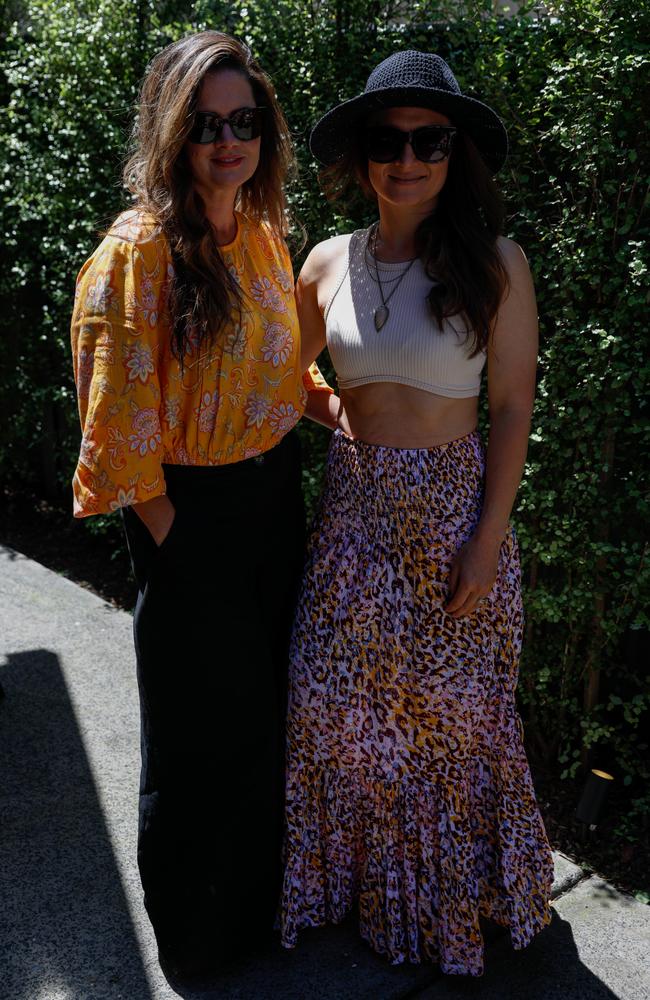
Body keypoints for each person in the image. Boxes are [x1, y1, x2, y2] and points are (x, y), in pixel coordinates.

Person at [280, 50, 554, 976]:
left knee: (449, 728)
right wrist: (343, 421)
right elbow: (280, 376)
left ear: (454, 153)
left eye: (428, 140)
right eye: (389, 141)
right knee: (336, 712)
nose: (407, 159)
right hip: (353, 521)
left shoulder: (497, 265)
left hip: (451, 521)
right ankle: (363, 896)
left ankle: (455, 909)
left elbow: (512, 408)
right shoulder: (326, 261)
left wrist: (486, 542)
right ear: (363, 156)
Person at [70, 31, 331, 985]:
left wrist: (337, 408)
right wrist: (184, 548)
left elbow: (279, 367)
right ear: (173, 133)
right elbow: (117, 428)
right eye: (207, 124)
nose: (229, 142)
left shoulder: (262, 231)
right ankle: (195, 943)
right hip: (190, 519)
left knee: (260, 721)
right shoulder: (138, 254)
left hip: (272, 506)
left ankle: (253, 917)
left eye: (244, 122)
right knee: (194, 741)